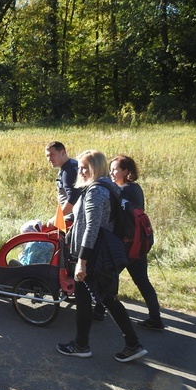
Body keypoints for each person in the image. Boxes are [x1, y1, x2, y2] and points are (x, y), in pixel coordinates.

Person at [56, 150, 148, 363]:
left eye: (85, 167)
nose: (80, 171)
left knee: (104, 299)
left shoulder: (96, 191)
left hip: (94, 256)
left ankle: (127, 344)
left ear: (97, 167)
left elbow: (92, 227)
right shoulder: (108, 186)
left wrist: (81, 261)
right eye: (79, 167)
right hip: (99, 253)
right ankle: (84, 343)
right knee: (92, 298)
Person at [110, 155, 165, 330]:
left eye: (115, 169)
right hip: (139, 242)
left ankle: (99, 311)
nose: (111, 172)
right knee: (142, 281)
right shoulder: (136, 188)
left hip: (125, 244)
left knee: (108, 276)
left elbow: (119, 219)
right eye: (111, 169)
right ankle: (155, 318)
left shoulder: (122, 191)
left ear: (126, 171)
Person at [44, 141, 81, 226]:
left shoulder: (69, 171)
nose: (49, 159)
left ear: (63, 152)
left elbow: (73, 197)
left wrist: (57, 217)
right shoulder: (72, 164)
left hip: (72, 219)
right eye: (47, 156)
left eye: (52, 155)